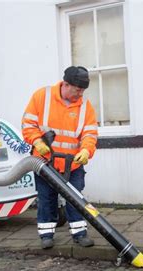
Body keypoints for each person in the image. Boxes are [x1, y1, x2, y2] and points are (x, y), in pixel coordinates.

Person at [22, 66, 99, 249]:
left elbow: (90, 133)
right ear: (65, 84)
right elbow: (28, 124)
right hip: (45, 162)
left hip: (72, 164)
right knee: (46, 198)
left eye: (83, 90)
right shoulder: (42, 96)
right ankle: (46, 235)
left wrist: (86, 151)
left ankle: (80, 234)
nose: (80, 94)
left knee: (76, 198)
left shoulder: (85, 106)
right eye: (77, 90)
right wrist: (37, 141)